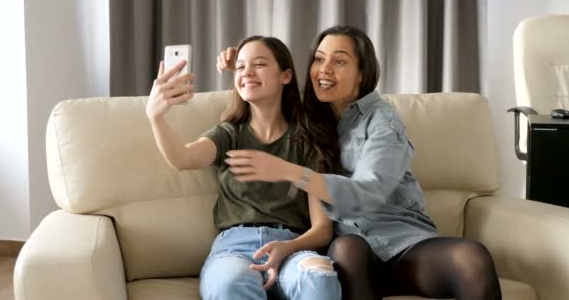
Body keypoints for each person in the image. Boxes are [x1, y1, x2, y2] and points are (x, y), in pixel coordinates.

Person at [218, 26, 502, 300]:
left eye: (339, 61)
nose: (324, 70)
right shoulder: (307, 117)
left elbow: (368, 194)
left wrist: (294, 173)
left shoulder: (383, 122)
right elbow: (269, 92)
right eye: (319, 59)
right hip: (349, 253)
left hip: (403, 247)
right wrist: (242, 65)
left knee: (471, 257)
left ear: (362, 73)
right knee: (348, 249)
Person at [146, 35, 341, 300]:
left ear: (286, 76)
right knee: (230, 285)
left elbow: (322, 229)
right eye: (240, 67)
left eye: (259, 64)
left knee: (319, 279)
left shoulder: (308, 141)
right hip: (233, 250)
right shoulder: (229, 134)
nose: (247, 72)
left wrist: (288, 247)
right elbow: (183, 159)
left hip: (292, 248)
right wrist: (155, 117)